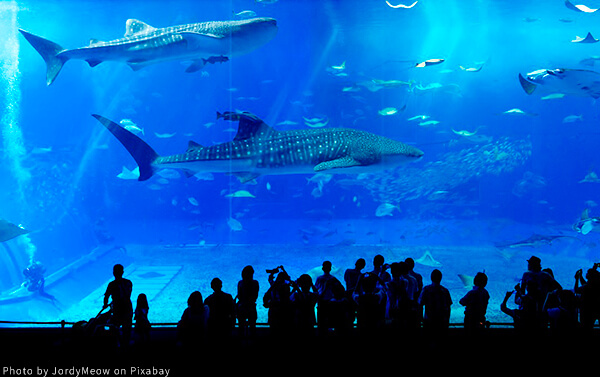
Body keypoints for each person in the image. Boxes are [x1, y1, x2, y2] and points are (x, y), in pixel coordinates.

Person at [103, 264, 133, 347]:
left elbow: (106, 296)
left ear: (113, 273)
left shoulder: (112, 284)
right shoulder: (128, 282)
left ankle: (118, 344)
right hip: (126, 308)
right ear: (122, 272)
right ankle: (124, 345)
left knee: (116, 328)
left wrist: (105, 305)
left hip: (118, 309)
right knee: (126, 329)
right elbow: (128, 294)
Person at [418, 269, 452, 337]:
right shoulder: (445, 291)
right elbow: (448, 307)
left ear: (431, 278)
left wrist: (420, 317)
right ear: (440, 278)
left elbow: (420, 303)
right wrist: (447, 320)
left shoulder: (426, 289)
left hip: (428, 319)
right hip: (441, 320)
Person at [314, 260, 343, 334]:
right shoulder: (333, 279)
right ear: (330, 269)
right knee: (329, 320)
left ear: (322, 268)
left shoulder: (320, 278)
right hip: (329, 301)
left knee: (323, 320)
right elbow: (341, 288)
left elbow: (316, 289)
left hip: (325, 301)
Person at [263, 266, 293, 337]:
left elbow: (270, 278)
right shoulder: (286, 285)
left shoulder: (274, 285)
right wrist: (283, 270)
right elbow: (289, 279)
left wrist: (272, 272)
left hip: (274, 308)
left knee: (273, 328)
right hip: (284, 308)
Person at [290, 274, 319, 338]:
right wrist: (311, 284)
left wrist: (295, 288)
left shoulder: (295, 295)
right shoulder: (313, 296)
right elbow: (316, 292)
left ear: (300, 284)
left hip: (299, 320)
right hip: (309, 320)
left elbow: (290, 298)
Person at [574, 265, 600, 332]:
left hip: (586, 310)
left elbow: (576, 290)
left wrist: (577, 279)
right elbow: (585, 283)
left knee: (586, 328)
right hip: (596, 309)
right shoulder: (596, 285)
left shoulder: (586, 287)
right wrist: (580, 277)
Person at [236, 265, 259, 338]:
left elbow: (239, 296)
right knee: (253, 329)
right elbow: (255, 297)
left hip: (242, 308)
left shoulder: (240, 283)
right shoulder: (255, 283)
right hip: (251, 307)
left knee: (241, 329)